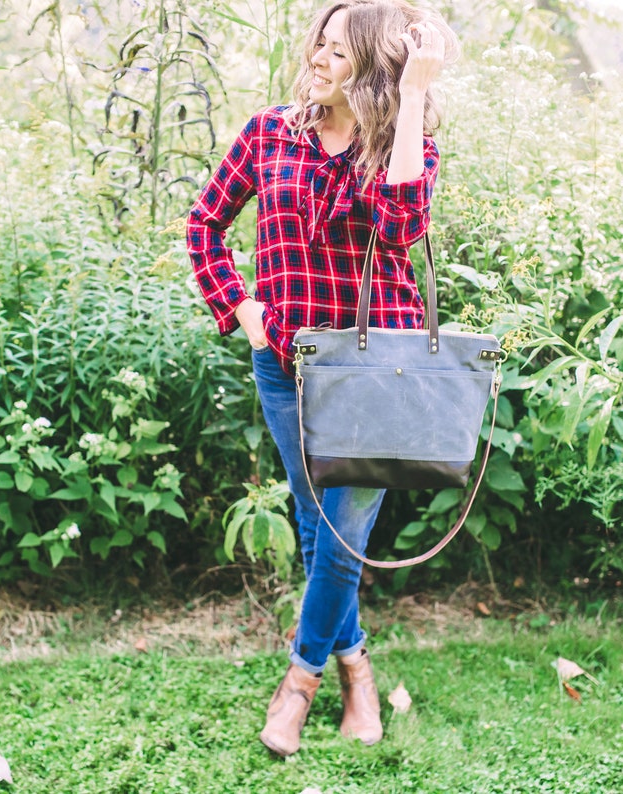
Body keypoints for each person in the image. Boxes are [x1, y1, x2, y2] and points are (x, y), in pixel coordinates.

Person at [187, 0, 459, 756]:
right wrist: (241, 312)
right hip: (283, 367)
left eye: (339, 52)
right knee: (317, 526)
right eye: (319, 43)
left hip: (377, 372)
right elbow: (204, 223)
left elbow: (403, 225)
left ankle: (299, 684)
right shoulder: (268, 132)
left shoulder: (403, 143)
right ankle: (357, 668)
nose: (317, 59)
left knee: (340, 539)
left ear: (375, 68)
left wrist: (409, 100)